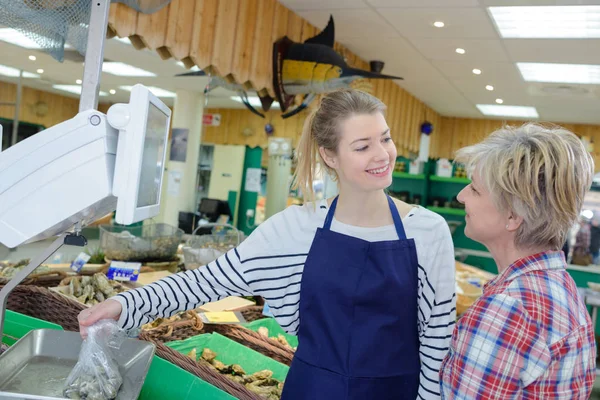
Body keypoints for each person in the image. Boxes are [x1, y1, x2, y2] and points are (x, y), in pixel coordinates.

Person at [78, 89, 456, 399]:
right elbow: (206, 282)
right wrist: (124, 303)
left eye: (385, 138)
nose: (382, 155)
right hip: (313, 392)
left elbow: (437, 337)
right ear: (329, 155)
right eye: (362, 146)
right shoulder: (295, 228)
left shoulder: (427, 230)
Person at [440, 123, 597, 399]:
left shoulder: (508, 309)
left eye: (475, 190)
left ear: (513, 216)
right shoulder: (560, 289)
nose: (461, 195)